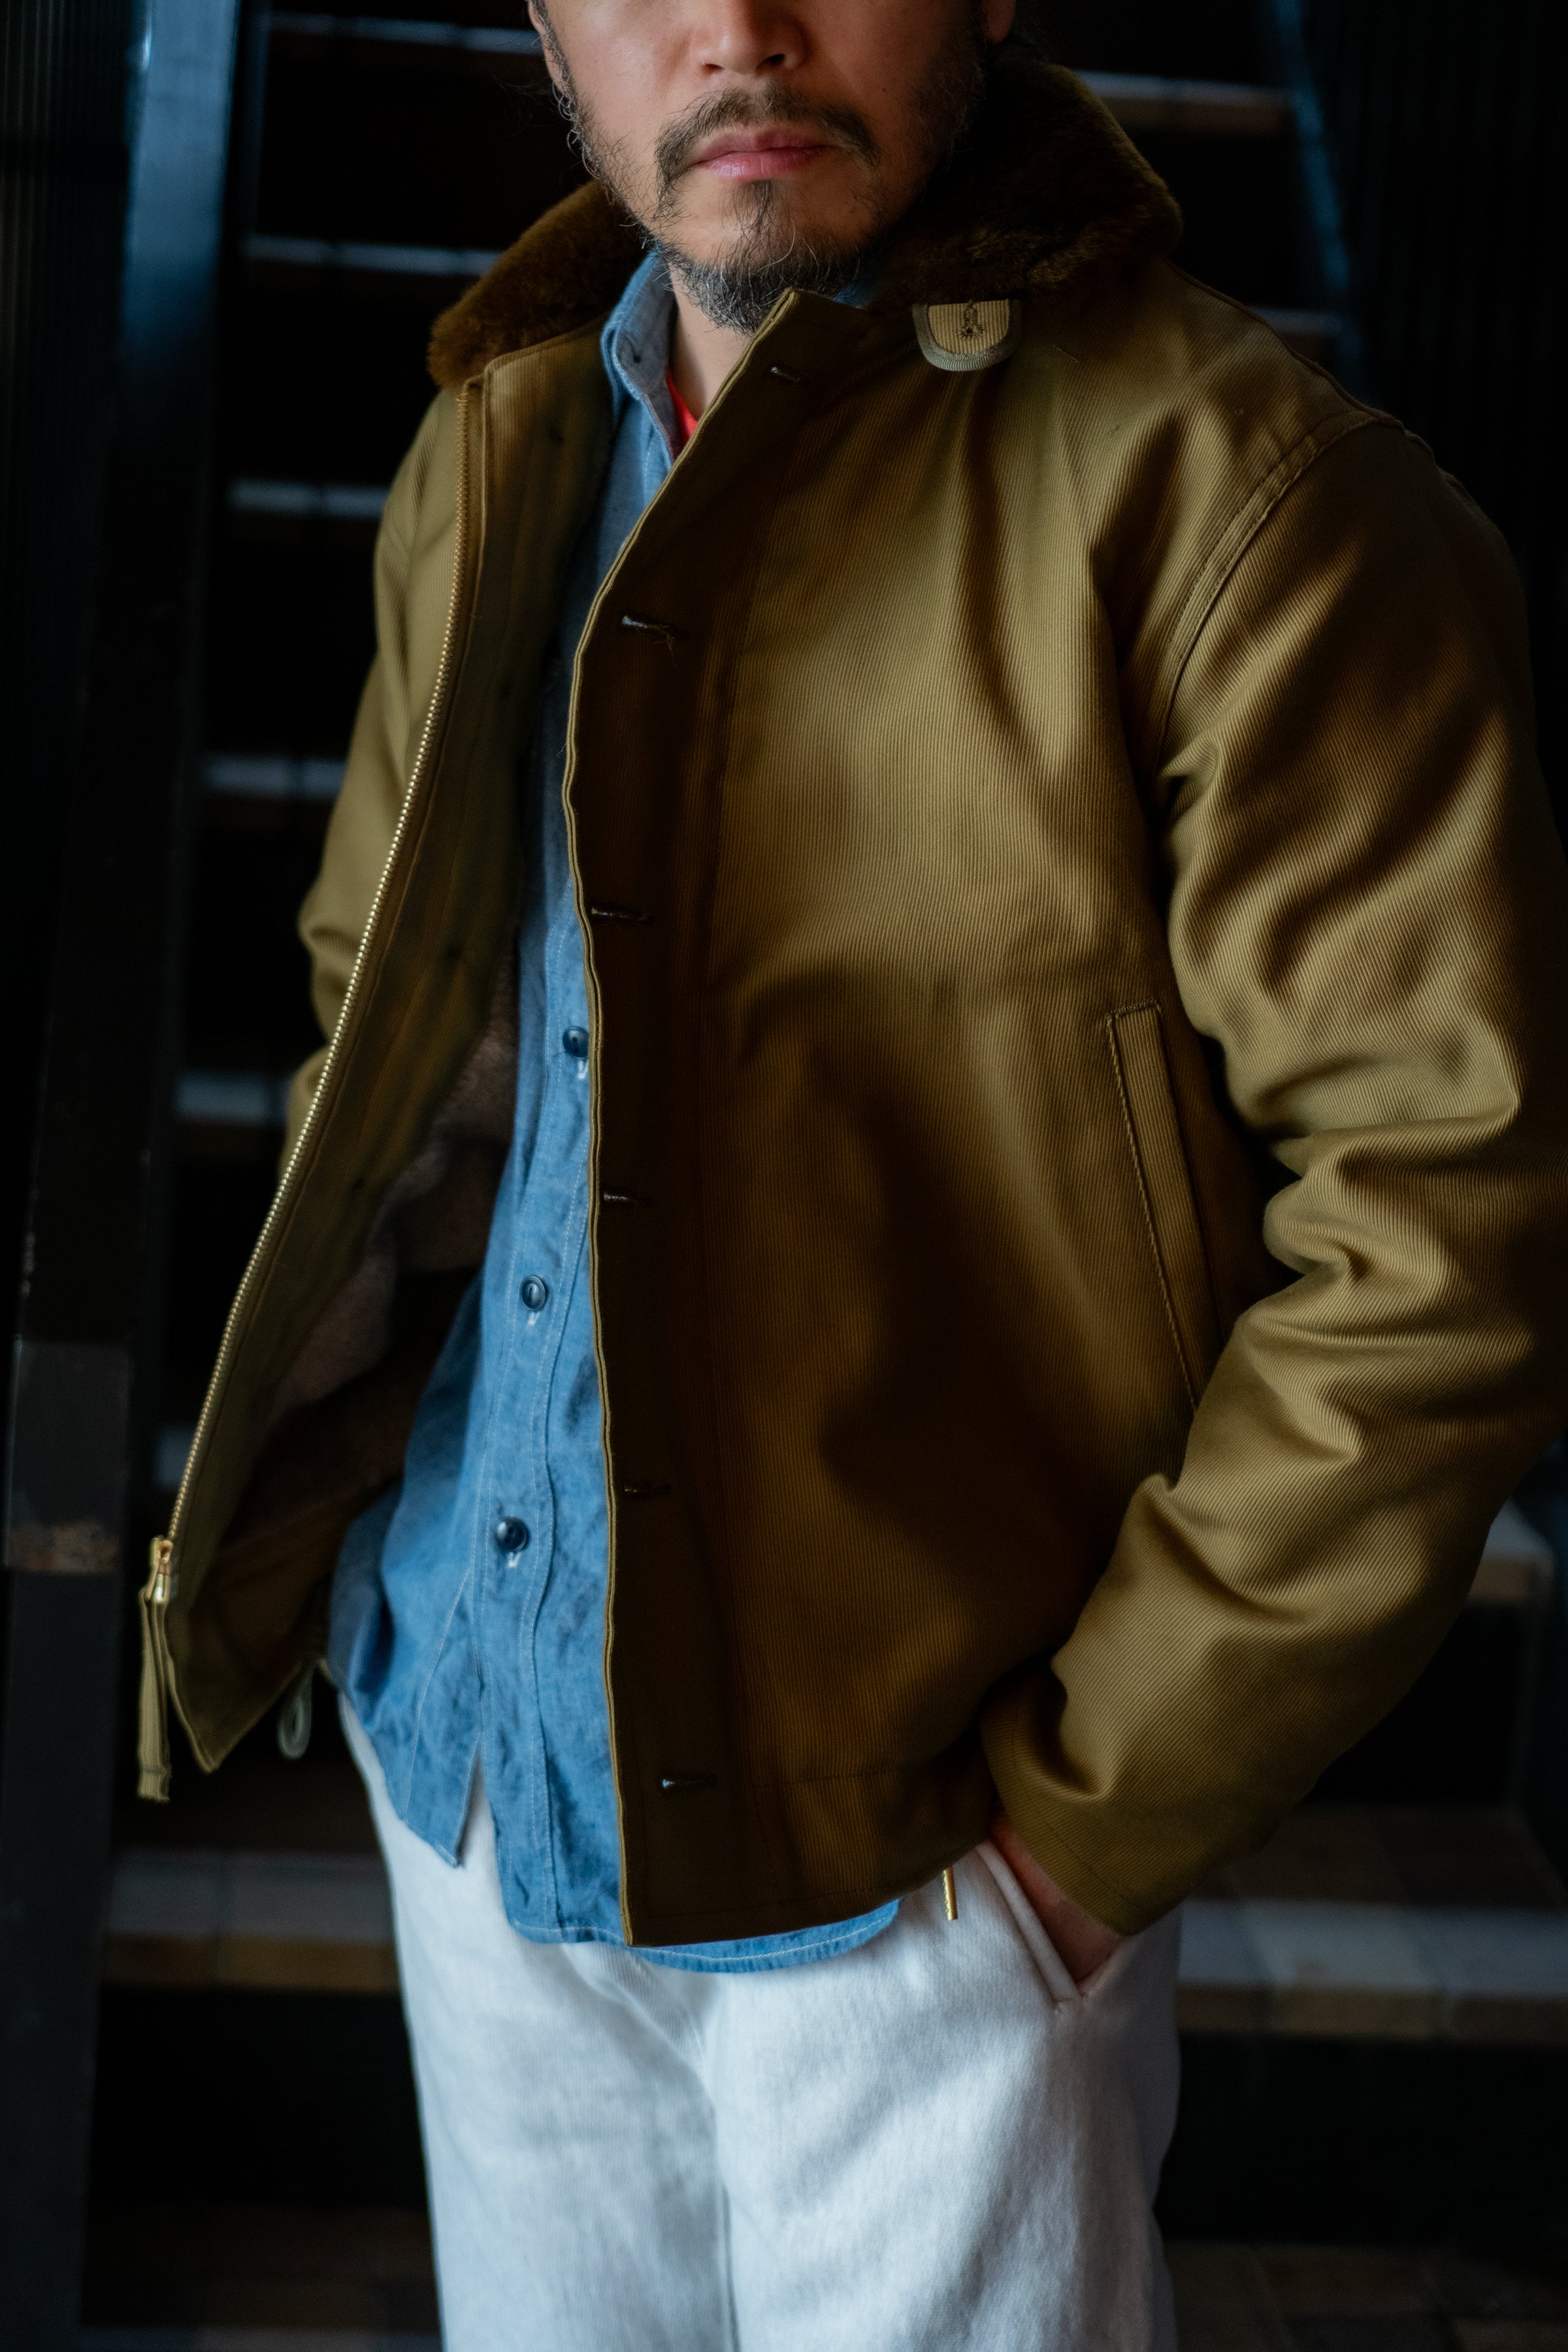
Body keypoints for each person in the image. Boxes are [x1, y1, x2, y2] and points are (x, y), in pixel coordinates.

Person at [139, 1, 1568, 2344]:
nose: (740, 28)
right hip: (474, 1765)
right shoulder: (500, 435)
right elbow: (388, 1031)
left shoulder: (1252, 498)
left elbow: (1450, 1231)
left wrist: (1081, 1841)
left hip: (925, 1875)